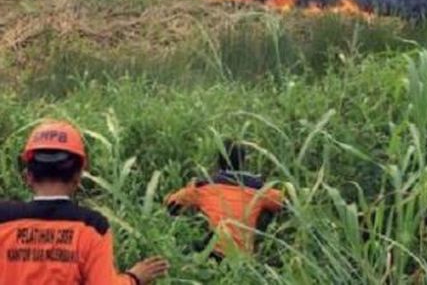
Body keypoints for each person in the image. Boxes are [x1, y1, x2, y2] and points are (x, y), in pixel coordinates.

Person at [0, 119, 169, 284]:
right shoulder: (92, 227)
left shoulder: (4, 219)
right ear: (78, 175)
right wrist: (134, 278)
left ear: (28, 177)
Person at [165, 140, 284, 260]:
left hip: (213, 253)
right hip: (243, 258)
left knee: (184, 246)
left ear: (219, 162)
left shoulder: (204, 187)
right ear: (244, 162)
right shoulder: (260, 190)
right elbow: (284, 202)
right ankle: (259, 246)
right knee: (268, 210)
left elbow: (171, 205)